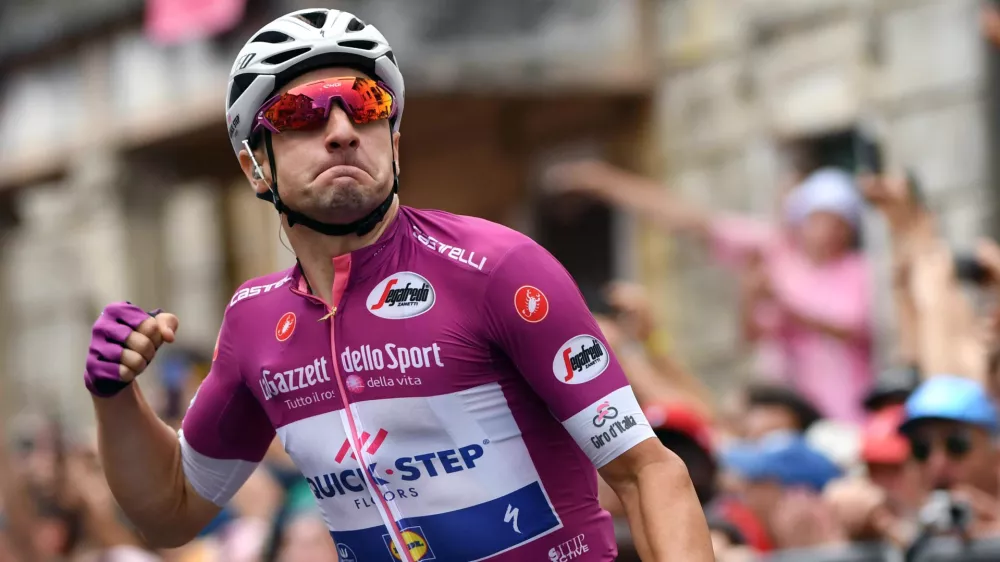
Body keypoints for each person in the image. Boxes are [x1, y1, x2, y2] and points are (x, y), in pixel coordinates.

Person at [82, 8, 712, 562]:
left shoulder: (497, 268)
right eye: (298, 114)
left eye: (365, 105)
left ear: (395, 141)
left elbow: (647, 472)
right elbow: (171, 508)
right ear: (255, 166)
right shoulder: (252, 322)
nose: (340, 130)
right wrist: (115, 392)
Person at [548, 162, 874, 423]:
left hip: (843, 414)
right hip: (781, 410)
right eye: (820, 219)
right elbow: (691, 220)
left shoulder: (858, 270)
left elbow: (852, 324)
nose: (827, 231)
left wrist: (780, 300)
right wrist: (604, 181)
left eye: (839, 222)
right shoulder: (775, 252)